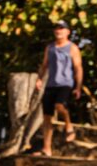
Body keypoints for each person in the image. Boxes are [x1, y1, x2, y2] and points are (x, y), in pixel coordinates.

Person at [35, 20, 84, 156]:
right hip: (51, 84)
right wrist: (39, 79)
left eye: (61, 28)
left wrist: (78, 86)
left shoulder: (72, 48)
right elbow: (44, 65)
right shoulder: (50, 47)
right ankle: (47, 148)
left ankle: (69, 126)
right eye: (56, 28)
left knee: (60, 105)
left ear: (67, 32)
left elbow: (78, 68)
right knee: (47, 117)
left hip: (65, 83)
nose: (58, 31)